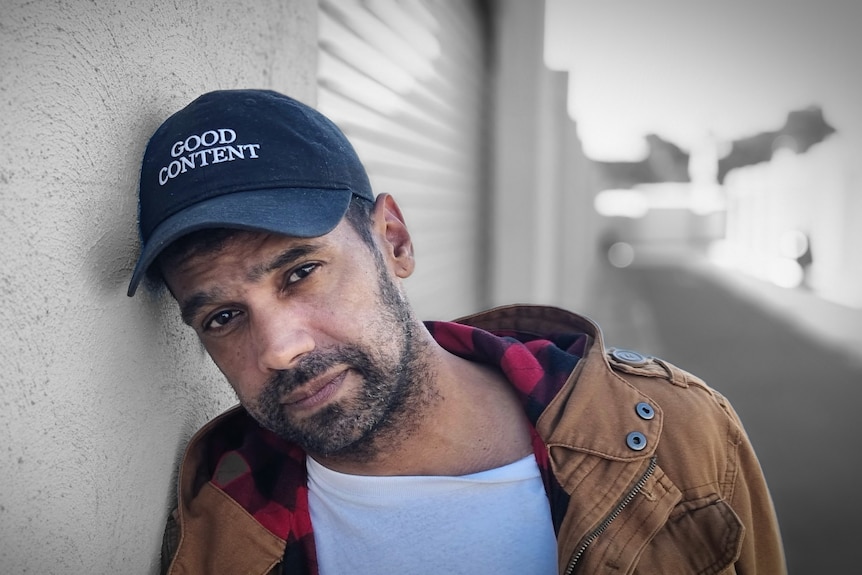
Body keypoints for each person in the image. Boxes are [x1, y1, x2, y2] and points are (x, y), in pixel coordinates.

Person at [128, 89, 786, 575]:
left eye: (300, 272)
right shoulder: (216, 523)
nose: (279, 348)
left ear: (394, 241)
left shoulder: (677, 435)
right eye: (221, 317)